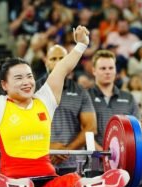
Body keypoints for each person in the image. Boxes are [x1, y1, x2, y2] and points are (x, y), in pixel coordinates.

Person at [0, 26, 129, 187]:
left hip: (47, 176)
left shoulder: (45, 100)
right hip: (14, 176)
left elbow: (61, 68)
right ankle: (16, 186)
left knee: (68, 182)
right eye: (18, 78)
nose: (27, 82)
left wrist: (81, 45)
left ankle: (88, 184)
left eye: (29, 76)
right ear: (4, 84)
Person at [37, 44, 97, 175]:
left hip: (73, 164)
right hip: (39, 161)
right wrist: (47, 148)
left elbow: (91, 128)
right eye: (53, 59)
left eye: (62, 58)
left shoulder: (80, 92)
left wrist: (67, 150)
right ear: (45, 61)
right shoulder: (33, 90)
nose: (58, 63)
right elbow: (23, 126)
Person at [88, 50, 140, 151]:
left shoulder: (128, 98)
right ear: (94, 70)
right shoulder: (85, 97)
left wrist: (123, 153)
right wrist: (102, 153)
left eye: (111, 68)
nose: (107, 72)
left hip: (123, 160)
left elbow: (137, 130)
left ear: (115, 70)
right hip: (94, 161)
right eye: (103, 68)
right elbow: (84, 131)